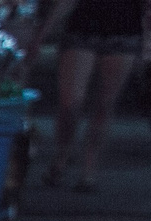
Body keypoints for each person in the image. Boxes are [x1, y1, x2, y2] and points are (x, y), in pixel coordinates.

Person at [41, 0, 149, 191]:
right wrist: (44, 31)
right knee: (71, 102)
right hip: (82, 29)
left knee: (105, 104)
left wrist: (146, 42)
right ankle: (62, 154)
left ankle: (89, 170)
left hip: (124, 31)